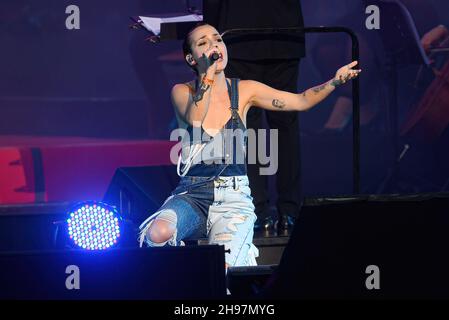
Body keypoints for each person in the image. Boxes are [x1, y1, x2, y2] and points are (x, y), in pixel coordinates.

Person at [138, 23, 361, 268]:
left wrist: (334, 82)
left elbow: (300, 101)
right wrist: (208, 74)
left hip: (233, 197)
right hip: (193, 193)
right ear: (191, 58)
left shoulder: (245, 90)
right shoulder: (182, 91)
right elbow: (197, 119)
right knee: (157, 234)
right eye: (204, 43)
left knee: (226, 269)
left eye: (217, 40)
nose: (214, 45)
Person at [205, 0, 306, 232]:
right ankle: (288, 209)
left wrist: (209, 33)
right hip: (283, 33)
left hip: (241, 33)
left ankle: (258, 210)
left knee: (249, 124)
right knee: (284, 123)